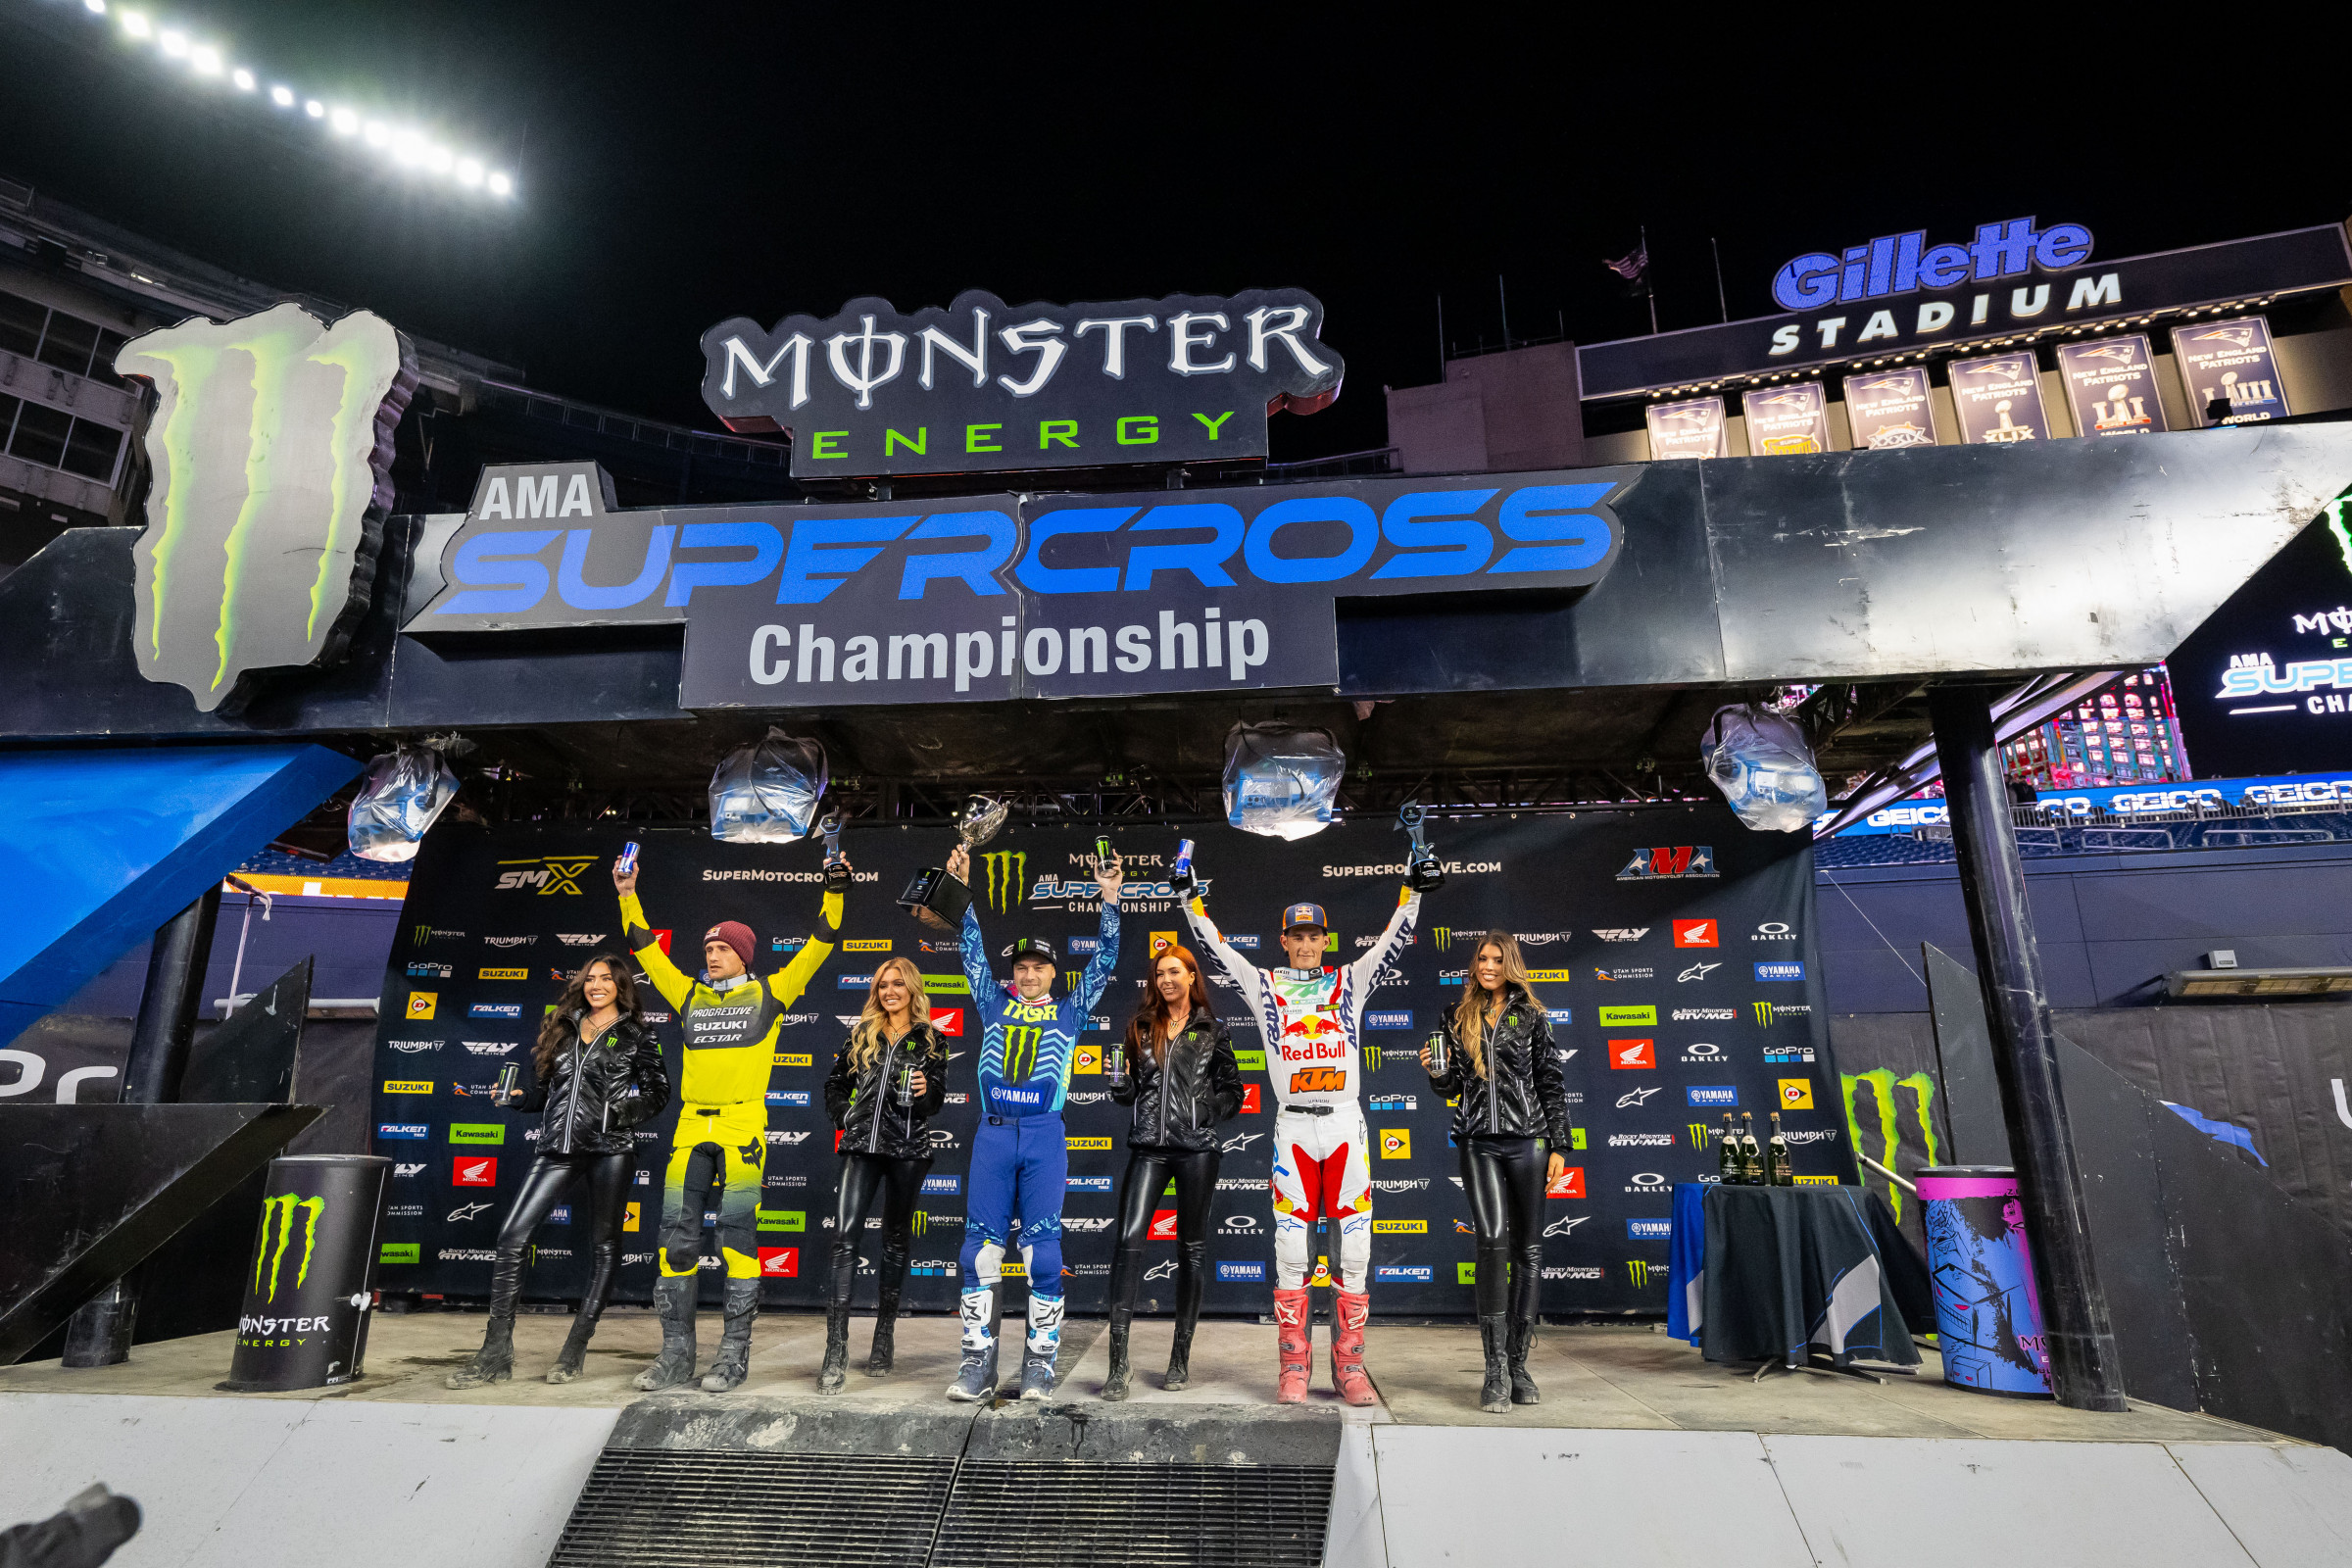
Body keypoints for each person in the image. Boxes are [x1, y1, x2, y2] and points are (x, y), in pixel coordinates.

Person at [1182, 868, 1427, 1405]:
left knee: (1355, 1248)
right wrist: (1190, 898)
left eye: (1316, 935)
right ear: (1284, 940)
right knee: (1291, 1247)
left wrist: (1410, 892)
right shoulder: (1265, 983)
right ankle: (1294, 1367)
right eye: (1298, 936)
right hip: (1293, 1123)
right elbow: (1217, 949)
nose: (1307, 944)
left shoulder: (1349, 982)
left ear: (1325, 940)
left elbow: (1393, 941)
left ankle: (1351, 1368)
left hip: (1343, 1122)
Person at [614, 845, 849, 1394]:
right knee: (675, 1239)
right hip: (692, 1125)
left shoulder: (772, 991)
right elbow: (645, 949)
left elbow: (820, 943)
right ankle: (675, 1357)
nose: (713, 954)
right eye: (709, 947)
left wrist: (835, 892)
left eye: (723, 948)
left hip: (743, 1126)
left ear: (745, 955)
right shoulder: (689, 993)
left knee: (738, 1240)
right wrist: (628, 897)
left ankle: (731, 1360)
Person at [943, 841, 1122, 1402]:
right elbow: (970, 947)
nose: (1028, 974)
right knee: (979, 1251)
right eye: (1020, 967)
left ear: (1052, 972)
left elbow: (1107, 959)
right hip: (994, 1134)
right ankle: (977, 1363)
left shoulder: (1072, 1009)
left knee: (1043, 1251)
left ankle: (1040, 1364)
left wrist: (1110, 899)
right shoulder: (991, 1001)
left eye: (1038, 967)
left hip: (1044, 1134)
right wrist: (964, 888)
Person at [448, 952, 668, 1388]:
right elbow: (545, 1094)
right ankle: (495, 1352)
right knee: (512, 1236)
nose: (596, 985)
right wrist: (517, 1099)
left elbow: (659, 1093)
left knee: (604, 1246)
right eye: (590, 979)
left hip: (611, 1149)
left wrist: (616, 1115)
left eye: (606, 979)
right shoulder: (563, 1029)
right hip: (556, 1148)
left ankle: (574, 1349)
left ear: (621, 986)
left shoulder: (639, 1034)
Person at [1422, 931, 1573, 1413]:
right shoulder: (1454, 1015)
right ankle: (1493, 1370)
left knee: (1529, 1248)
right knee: (1491, 1239)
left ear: (1511, 964)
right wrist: (1435, 1072)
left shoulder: (1531, 1015)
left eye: (1496, 959)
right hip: (1476, 1141)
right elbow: (1448, 1090)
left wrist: (1559, 1146)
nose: (1488, 966)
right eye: (1482, 959)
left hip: (1529, 1140)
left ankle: (1518, 1363)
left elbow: (1551, 1081)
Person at [1102, 942, 1242, 1400]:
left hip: (1197, 1149)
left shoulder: (1212, 1029)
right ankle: (1117, 1363)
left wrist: (1207, 1110)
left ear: (1191, 977)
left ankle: (1179, 1356)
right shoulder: (1140, 1026)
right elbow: (1128, 1095)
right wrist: (1118, 1085)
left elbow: (1234, 1091)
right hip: (1148, 1149)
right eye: (1160, 973)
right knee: (1127, 1242)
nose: (1166, 980)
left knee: (1192, 1250)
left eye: (1175, 972)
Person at [818, 956, 949, 1392]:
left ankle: (883, 1335)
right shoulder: (860, 1035)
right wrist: (845, 1116)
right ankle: (835, 1349)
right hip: (861, 1148)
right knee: (844, 1239)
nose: (889, 991)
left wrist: (926, 1092)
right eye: (881, 985)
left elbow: (936, 1105)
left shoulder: (931, 1040)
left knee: (895, 1240)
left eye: (897, 984)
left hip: (909, 1150)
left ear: (912, 989)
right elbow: (834, 1085)